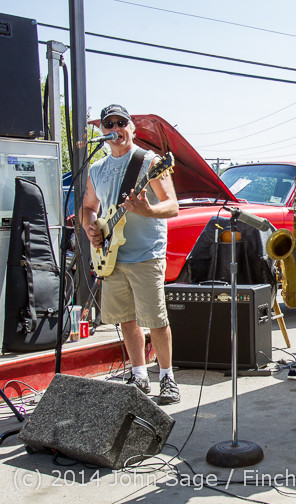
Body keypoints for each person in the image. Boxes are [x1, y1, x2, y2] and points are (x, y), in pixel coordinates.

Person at [82, 104, 181, 405]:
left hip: (146, 254)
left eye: (121, 123)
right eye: (109, 124)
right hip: (111, 256)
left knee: (156, 319)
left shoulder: (149, 162)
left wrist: (148, 210)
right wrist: (91, 228)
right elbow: (89, 207)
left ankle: (167, 377)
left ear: (132, 128)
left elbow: (172, 206)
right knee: (126, 320)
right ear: (102, 131)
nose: (116, 128)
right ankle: (139, 374)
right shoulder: (97, 168)